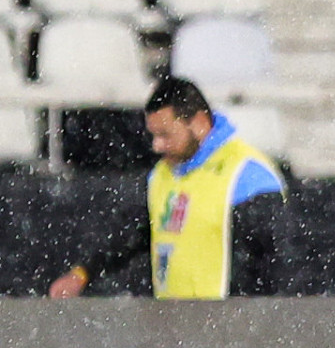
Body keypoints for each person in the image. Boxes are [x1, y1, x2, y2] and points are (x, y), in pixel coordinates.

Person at [49, 78, 286, 300]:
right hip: (175, 330)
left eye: (165, 135)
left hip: (227, 333)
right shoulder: (163, 175)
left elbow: (273, 269)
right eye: (154, 136)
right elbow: (131, 235)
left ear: (200, 124)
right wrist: (83, 272)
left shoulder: (248, 175)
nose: (156, 145)